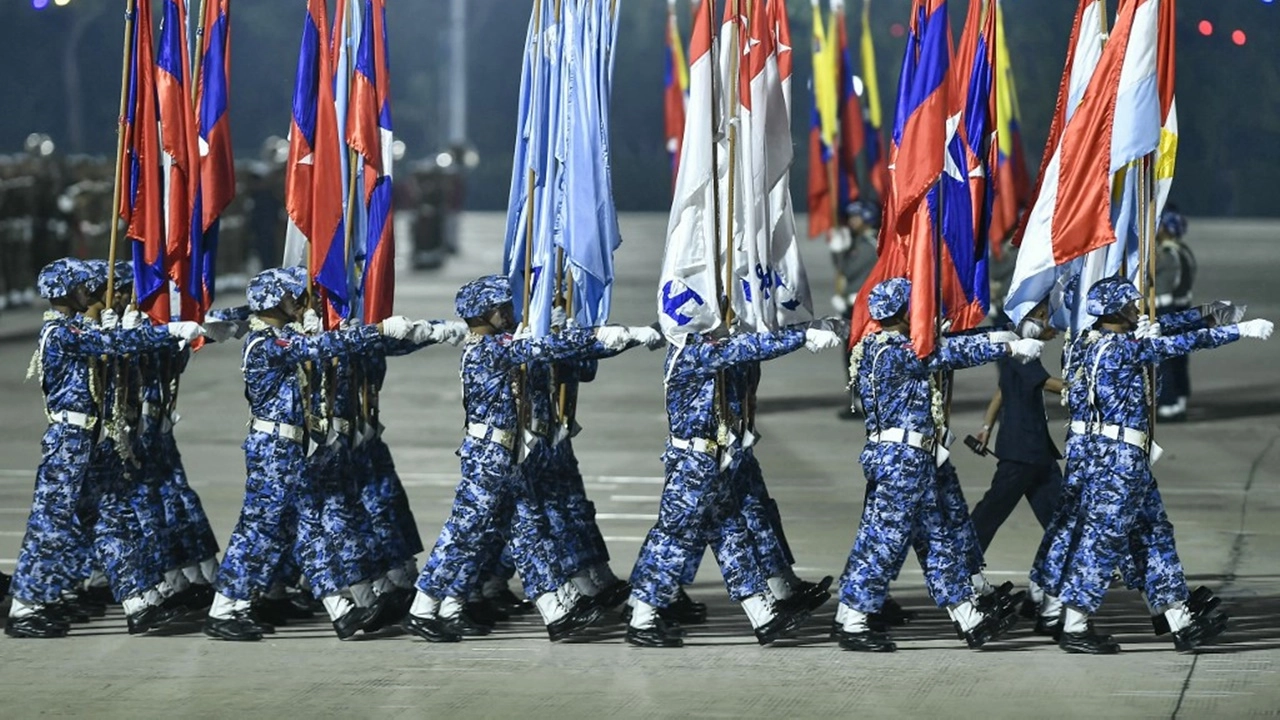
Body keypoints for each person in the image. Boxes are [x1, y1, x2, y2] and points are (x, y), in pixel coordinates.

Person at [404, 275, 654, 643]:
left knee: (528, 532)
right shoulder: (486, 350)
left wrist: (613, 340)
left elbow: (552, 352)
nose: (508, 313)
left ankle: (557, 611)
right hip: (488, 458)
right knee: (463, 535)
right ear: (482, 314)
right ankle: (422, 608)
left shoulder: (497, 345)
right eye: (500, 308)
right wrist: (607, 336)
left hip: (508, 457)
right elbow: (543, 348)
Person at [1050, 276, 1270, 654]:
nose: (1138, 309)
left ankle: (1176, 616)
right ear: (1116, 312)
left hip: (1117, 458)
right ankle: (1074, 624)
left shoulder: (1085, 343)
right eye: (1131, 306)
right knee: (1103, 543)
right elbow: (1177, 343)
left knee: (1154, 534)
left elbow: (1161, 327)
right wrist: (1237, 331)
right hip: (1114, 460)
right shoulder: (1120, 350)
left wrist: (1205, 313)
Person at [204, 267, 417, 641]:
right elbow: (317, 347)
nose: (300, 302)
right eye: (292, 296)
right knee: (259, 532)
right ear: (273, 302)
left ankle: (342, 610)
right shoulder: (266, 343)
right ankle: (224, 608)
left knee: (308, 530)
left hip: (293, 449)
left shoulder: (280, 336)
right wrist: (378, 330)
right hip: (273, 450)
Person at [833, 277, 1043, 652]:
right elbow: (949, 354)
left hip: (913, 462)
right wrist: (1008, 348)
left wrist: (1004, 335)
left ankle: (968, 618)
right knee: (883, 542)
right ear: (901, 314)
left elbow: (950, 345)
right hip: (901, 462)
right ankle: (852, 619)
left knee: (937, 541)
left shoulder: (881, 346)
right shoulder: (894, 353)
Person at [6, 258, 202, 639]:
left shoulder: (81, 329)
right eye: (83, 287)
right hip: (69, 443)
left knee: (112, 518)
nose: (92, 293)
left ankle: (138, 601)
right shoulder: (61, 333)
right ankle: (25, 606)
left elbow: (114, 355)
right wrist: (169, 331)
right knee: (51, 524)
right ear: (65, 293)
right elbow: (109, 345)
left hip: (95, 442)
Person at [626, 319, 844, 648]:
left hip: (713, 461)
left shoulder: (703, 348)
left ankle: (763, 616)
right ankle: (641, 619)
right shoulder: (693, 352)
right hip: (693, 464)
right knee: (672, 539)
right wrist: (802, 336)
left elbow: (746, 342)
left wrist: (809, 326)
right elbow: (747, 346)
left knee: (731, 537)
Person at [969, 299, 1065, 617]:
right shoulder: (1023, 353)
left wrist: (985, 427)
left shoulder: (1017, 349)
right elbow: (1047, 384)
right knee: (990, 514)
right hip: (1023, 452)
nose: (1048, 320)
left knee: (1060, 519)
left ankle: (1042, 587)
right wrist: (1086, 386)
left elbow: (1000, 393)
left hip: (1035, 452)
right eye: (1043, 315)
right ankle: (964, 572)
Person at [831, 200, 881, 420]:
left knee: (861, 357)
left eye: (856, 216)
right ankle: (858, 401)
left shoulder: (869, 244)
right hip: (853, 309)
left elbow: (850, 270)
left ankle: (866, 402)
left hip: (864, 311)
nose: (851, 221)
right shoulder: (859, 242)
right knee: (851, 356)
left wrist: (839, 253)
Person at [1153, 207, 1196, 421]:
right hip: (1182, 309)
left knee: (1164, 359)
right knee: (1178, 358)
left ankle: (1168, 404)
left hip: (1166, 309)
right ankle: (1178, 399)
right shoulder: (1183, 251)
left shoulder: (1168, 254)